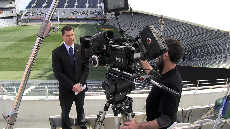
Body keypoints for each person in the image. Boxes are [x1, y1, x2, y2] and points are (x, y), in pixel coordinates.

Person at [121, 38, 184, 129]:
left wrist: (138, 126)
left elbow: (166, 119)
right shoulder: (167, 70)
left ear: (166, 54)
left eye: (159, 52)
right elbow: (153, 74)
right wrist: (139, 55)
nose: (157, 56)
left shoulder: (172, 83)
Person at [52, 25, 89, 129]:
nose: (71, 37)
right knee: (65, 113)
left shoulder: (81, 49)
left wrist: (80, 84)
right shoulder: (56, 52)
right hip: (66, 90)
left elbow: (86, 69)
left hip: (80, 88)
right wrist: (73, 86)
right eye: (68, 35)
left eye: (72, 34)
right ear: (63, 37)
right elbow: (58, 73)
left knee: (80, 111)